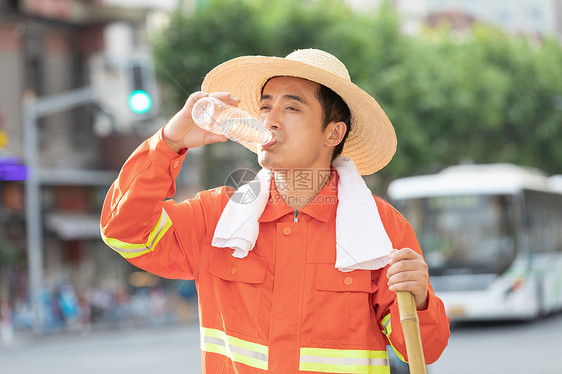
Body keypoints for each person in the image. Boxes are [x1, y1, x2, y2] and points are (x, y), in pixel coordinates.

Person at [101, 49, 449, 373]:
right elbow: (124, 230)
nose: (270, 120)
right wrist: (169, 143)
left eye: (292, 108)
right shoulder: (217, 217)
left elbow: (424, 351)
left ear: (333, 133)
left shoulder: (381, 229)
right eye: (266, 107)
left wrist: (420, 301)